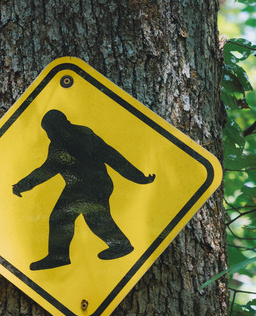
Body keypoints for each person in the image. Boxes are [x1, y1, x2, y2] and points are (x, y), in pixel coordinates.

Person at [13, 109, 156, 270]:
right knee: (94, 218)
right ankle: (120, 245)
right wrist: (139, 177)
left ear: (55, 127)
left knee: (64, 218)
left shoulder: (60, 144)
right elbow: (112, 156)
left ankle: (59, 257)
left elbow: (46, 170)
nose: (48, 134)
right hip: (98, 184)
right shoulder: (85, 134)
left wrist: (22, 185)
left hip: (82, 188)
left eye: (49, 130)